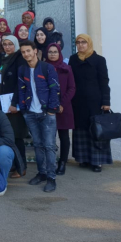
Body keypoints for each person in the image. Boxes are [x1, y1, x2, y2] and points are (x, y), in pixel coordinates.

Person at [18, 40, 60, 192]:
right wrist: (24, 110)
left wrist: (51, 110)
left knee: (49, 146)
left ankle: (51, 178)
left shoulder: (47, 68)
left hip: (46, 114)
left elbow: (55, 89)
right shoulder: (22, 69)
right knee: (37, 145)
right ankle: (41, 173)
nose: (26, 54)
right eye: (23, 52)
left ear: (35, 51)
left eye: (28, 51)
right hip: (30, 114)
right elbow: (21, 90)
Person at [69, 34, 112, 172]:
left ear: (89, 43)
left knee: (96, 130)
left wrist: (106, 101)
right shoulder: (73, 59)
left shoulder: (99, 60)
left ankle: (97, 161)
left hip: (95, 102)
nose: (80, 45)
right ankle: (83, 158)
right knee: (81, 131)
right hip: (78, 102)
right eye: (78, 42)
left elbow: (104, 81)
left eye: (83, 42)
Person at [0, 35, 28, 177]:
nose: (7, 47)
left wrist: (15, 103)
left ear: (15, 45)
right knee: (9, 136)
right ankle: (15, 164)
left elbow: (20, 84)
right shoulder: (4, 58)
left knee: (16, 136)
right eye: (5, 44)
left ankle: (22, 168)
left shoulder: (19, 59)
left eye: (10, 44)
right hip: (4, 104)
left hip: (13, 105)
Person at [44, 43, 76, 175]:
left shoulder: (66, 68)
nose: (52, 54)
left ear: (59, 53)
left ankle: (62, 162)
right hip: (48, 108)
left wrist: (61, 104)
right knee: (49, 137)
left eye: (55, 52)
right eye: (50, 52)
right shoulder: (43, 67)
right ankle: (49, 162)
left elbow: (72, 88)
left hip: (63, 108)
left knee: (64, 136)